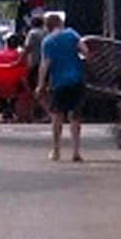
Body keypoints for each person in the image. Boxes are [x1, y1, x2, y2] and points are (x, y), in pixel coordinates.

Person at [35, 11, 90, 161]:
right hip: (77, 80)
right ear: (61, 23)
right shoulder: (72, 34)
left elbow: (45, 65)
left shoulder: (47, 42)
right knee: (75, 117)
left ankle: (56, 150)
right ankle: (76, 151)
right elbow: (85, 52)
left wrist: (40, 85)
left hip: (59, 83)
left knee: (57, 117)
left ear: (47, 27)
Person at [0, 34, 32, 122]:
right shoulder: (20, 57)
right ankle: (23, 116)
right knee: (25, 88)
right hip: (16, 87)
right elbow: (26, 72)